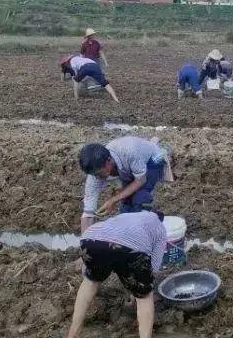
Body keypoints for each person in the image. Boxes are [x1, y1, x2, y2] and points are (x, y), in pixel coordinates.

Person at [65, 210, 166, 338]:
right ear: (161, 219)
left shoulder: (128, 215)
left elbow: (109, 243)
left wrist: (91, 272)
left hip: (90, 238)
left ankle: (73, 332)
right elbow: (153, 268)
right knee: (145, 297)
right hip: (129, 247)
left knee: (90, 282)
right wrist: (139, 290)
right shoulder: (160, 228)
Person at [79, 136, 171, 233]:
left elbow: (141, 180)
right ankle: (129, 234)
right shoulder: (94, 173)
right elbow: (88, 213)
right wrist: (85, 240)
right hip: (130, 167)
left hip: (152, 160)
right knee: (126, 206)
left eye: (100, 173)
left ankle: (150, 224)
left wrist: (113, 200)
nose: (97, 178)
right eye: (94, 175)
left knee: (140, 198)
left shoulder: (130, 152)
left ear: (109, 161)